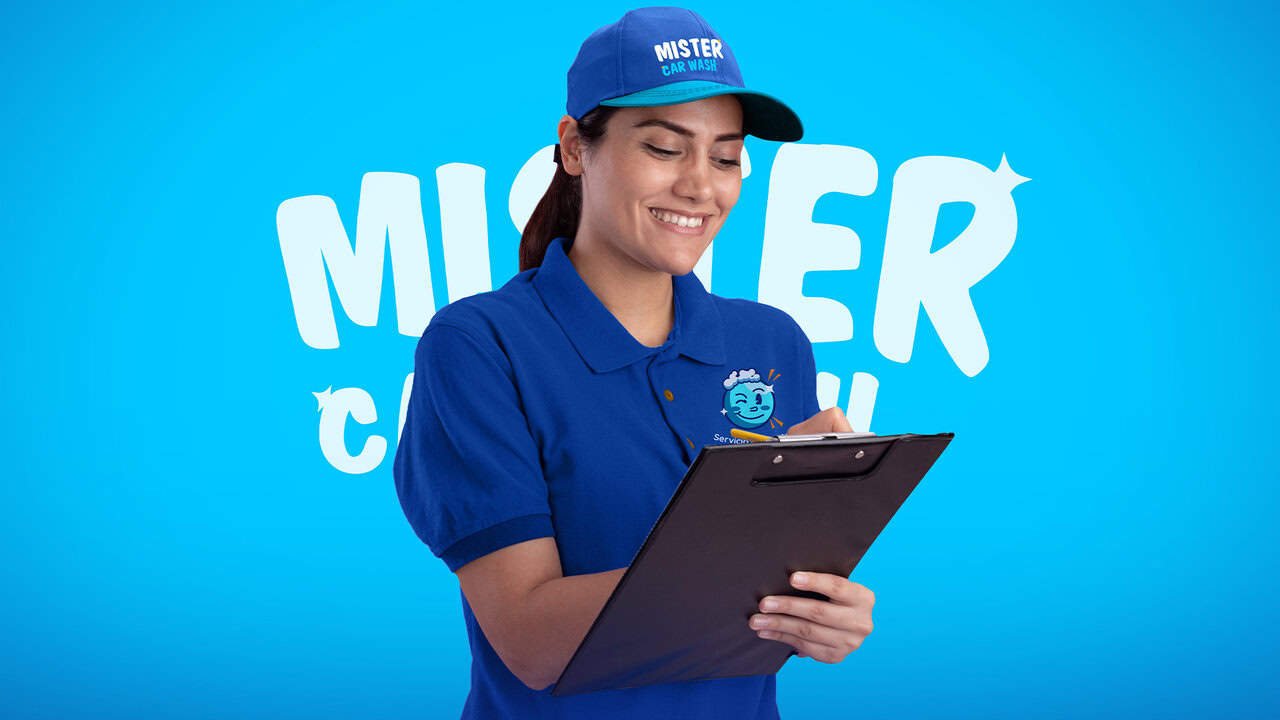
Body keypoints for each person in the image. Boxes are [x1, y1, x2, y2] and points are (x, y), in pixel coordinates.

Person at [393, 7, 874, 718]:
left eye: (725, 156)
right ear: (574, 148)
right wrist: (743, 538)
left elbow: (765, 609)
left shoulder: (774, 346)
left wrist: (822, 619)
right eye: (663, 147)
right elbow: (530, 640)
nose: (701, 187)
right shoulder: (479, 345)